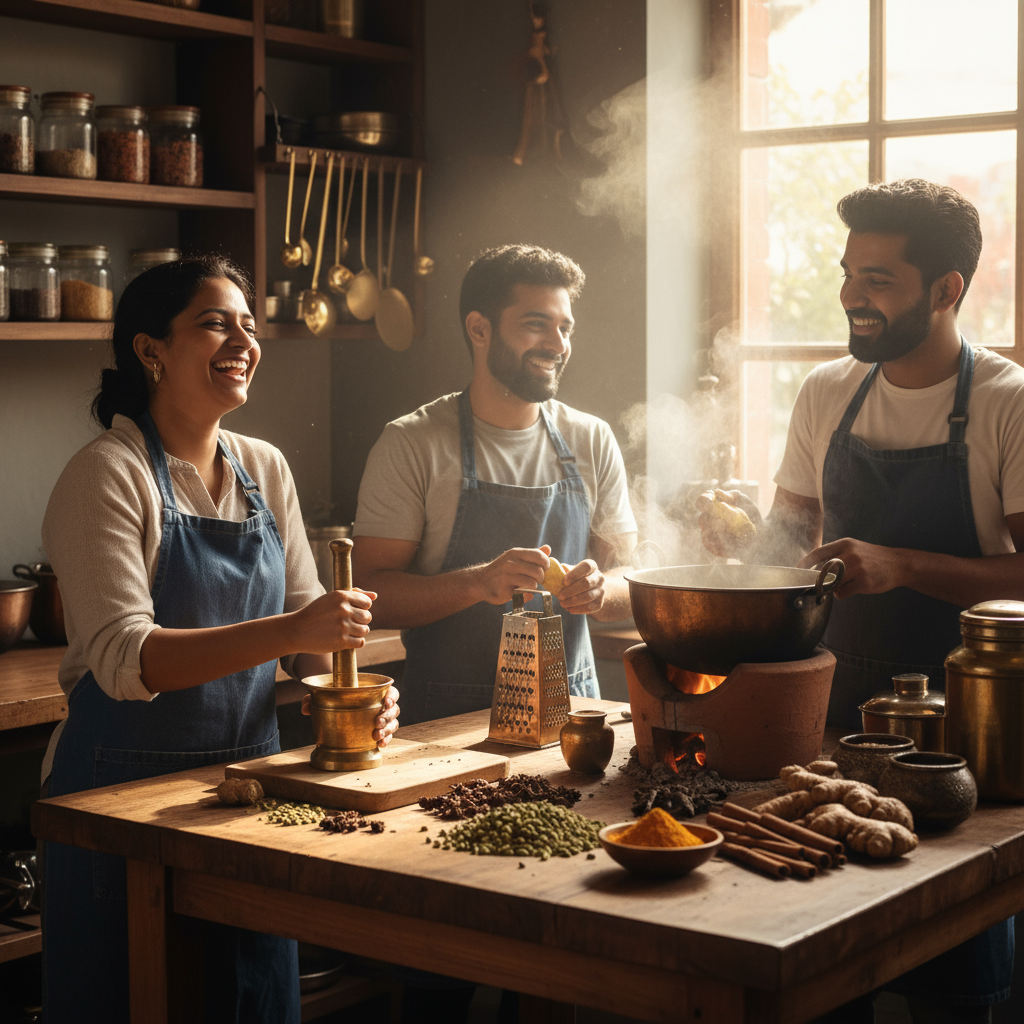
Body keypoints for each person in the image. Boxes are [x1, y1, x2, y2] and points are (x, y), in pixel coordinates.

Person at [39, 256, 400, 1024]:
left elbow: (311, 636)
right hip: (121, 809)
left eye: (247, 323)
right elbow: (127, 660)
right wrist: (296, 628)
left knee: (249, 1003)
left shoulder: (263, 467)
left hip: (246, 802)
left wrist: (357, 693)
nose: (243, 339)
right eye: (214, 322)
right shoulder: (106, 474)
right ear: (150, 349)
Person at [701, 179, 1022, 1022]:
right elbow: (789, 547)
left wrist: (906, 565)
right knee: (816, 959)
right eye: (850, 275)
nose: (852, 297)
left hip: (967, 737)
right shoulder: (826, 394)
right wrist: (740, 549)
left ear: (947, 289)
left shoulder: (1004, 402)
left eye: (879, 279)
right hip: (833, 720)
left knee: (955, 978)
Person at [351, 243, 638, 729]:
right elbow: (369, 595)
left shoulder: (591, 439)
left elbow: (630, 574)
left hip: (573, 720)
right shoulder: (413, 443)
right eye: (536, 324)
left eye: (564, 327)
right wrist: (478, 583)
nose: (558, 344)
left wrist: (599, 591)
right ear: (479, 329)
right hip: (446, 726)